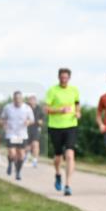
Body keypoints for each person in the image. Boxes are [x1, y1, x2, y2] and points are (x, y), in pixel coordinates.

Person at [45, 68, 80, 196]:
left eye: (66, 77)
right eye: (61, 77)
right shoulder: (52, 90)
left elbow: (77, 103)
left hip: (71, 125)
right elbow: (47, 109)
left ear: (69, 78)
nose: (64, 80)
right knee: (58, 156)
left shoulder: (74, 90)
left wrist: (78, 112)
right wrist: (60, 110)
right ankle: (58, 173)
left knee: (70, 154)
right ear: (58, 77)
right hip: (55, 127)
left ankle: (68, 185)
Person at [1, 91, 34, 181]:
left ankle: (18, 171)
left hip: (22, 135)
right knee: (12, 153)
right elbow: (3, 118)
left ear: (22, 99)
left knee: (21, 155)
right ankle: (10, 163)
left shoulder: (27, 108)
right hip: (11, 134)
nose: (17, 100)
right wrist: (4, 124)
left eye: (19, 99)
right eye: (16, 99)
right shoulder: (8, 107)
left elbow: (32, 119)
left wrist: (28, 122)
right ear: (13, 99)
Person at [25, 95, 43, 167]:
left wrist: (38, 122)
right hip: (27, 129)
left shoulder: (39, 109)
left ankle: (35, 160)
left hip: (36, 128)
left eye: (32, 100)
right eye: (30, 100)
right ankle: (27, 155)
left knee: (35, 144)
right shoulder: (25, 108)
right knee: (27, 145)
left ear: (35, 101)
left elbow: (41, 120)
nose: (31, 102)